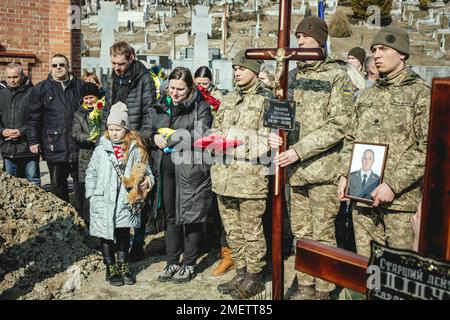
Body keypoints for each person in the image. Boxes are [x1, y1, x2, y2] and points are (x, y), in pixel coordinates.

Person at [269, 16, 354, 300]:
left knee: (323, 234)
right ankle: (305, 286)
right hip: (294, 172)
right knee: (301, 234)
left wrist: (300, 150)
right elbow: (279, 115)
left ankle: (324, 288)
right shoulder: (291, 77)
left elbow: (341, 123)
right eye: (298, 37)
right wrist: (274, 135)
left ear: (320, 40)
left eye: (305, 37)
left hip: (323, 170)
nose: (299, 42)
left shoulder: (336, 76)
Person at [337, 26, 430, 258]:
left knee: (398, 274)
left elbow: (427, 147)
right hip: (363, 196)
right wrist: (344, 174)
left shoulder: (420, 94)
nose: (376, 55)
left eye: (384, 49)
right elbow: (351, 138)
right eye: (374, 49)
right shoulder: (367, 95)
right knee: (369, 266)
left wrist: (393, 185)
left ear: (402, 54)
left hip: (400, 202)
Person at [141, 67, 213, 283]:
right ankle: (172, 261)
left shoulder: (200, 106)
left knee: (190, 216)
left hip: (190, 169)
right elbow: (147, 129)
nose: (175, 92)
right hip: (166, 169)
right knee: (170, 216)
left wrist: (174, 137)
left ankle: (189, 263)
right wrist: (153, 138)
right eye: (172, 88)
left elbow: (204, 133)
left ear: (190, 87)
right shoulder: (160, 105)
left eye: (180, 89)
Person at [211, 50, 273, 299]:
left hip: (249, 180)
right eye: (235, 68)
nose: (237, 72)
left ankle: (255, 276)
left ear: (255, 71)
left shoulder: (266, 100)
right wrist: (214, 140)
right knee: (233, 231)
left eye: (242, 68)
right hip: (223, 177)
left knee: (251, 231)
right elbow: (217, 127)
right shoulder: (228, 98)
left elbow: (268, 141)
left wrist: (234, 145)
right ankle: (241, 272)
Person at [85, 102, 154, 286]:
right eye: (111, 128)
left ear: (126, 128)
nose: (114, 132)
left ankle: (123, 265)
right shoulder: (101, 149)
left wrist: (147, 181)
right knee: (105, 235)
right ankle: (110, 267)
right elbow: (91, 172)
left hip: (125, 199)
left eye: (118, 129)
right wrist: (91, 194)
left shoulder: (135, 149)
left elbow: (146, 171)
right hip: (103, 199)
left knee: (123, 232)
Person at [103, 41, 157, 262]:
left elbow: (149, 113)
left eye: (121, 63)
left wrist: (138, 142)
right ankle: (119, 238)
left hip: (137, 143)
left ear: (132, 58)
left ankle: (138, 242)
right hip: (115, 140)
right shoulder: (112, 77)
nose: (117, 67)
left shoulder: (144, 79)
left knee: (137, 193)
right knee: (116, 192)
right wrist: (106, 137)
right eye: (114, 63)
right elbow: (107, 108)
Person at [27, 54, 84, 211]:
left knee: (82, 185)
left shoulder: (80, 86)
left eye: (62, 64)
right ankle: (64, 218)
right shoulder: (41, 89)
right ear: (50, 67)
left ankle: (83, 219)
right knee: (58, 185)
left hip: (79, 145)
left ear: (68, 66)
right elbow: (33, 118)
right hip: (54, 144)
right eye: (55, 65)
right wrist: (33, 141)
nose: (58, 68)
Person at [193, 65, 234, 276]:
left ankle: (224, 247)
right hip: (197, 151)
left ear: (211, 83)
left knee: (219, 205)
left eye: (205, 84)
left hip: (215, 153)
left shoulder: (219, 99)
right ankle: (202, 241)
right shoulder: (191, 95)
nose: (201, 88)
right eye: (198, 84)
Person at [0, 63, 40, 187]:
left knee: (33, 181)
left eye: (15, 77)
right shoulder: (1, 93)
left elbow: (37, 119)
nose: (12, 80)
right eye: (9, 77)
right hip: (8, 146)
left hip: (28, 146)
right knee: (10, 184)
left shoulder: (32, 92)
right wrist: (2, 131)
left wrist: (20, 131)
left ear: (22, 76)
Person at [72, 82, 105, 226]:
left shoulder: (103, 111)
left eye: (91, 97)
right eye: (86, 98)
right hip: (86, 155)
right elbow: (76, 133)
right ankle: (86, 219)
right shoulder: (79, 115)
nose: (89, 101)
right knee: (87, 189)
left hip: (102, 155)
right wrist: (89, 138)